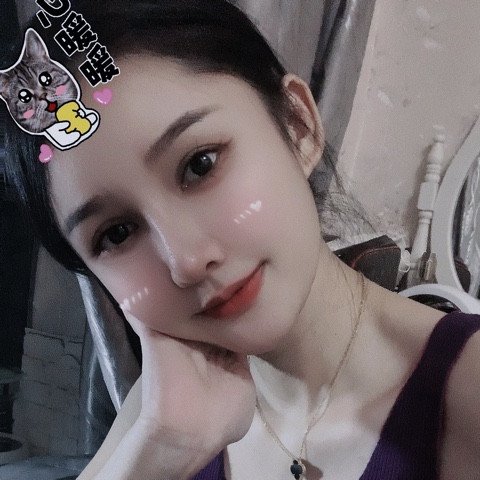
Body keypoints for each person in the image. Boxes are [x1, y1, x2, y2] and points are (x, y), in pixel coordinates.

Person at [4, 1, 480, 478]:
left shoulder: (466, 391)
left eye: (200, 165)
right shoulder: (161, 412)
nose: (186, 260)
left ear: (297, 125)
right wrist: (161, 452)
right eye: (117, 233)